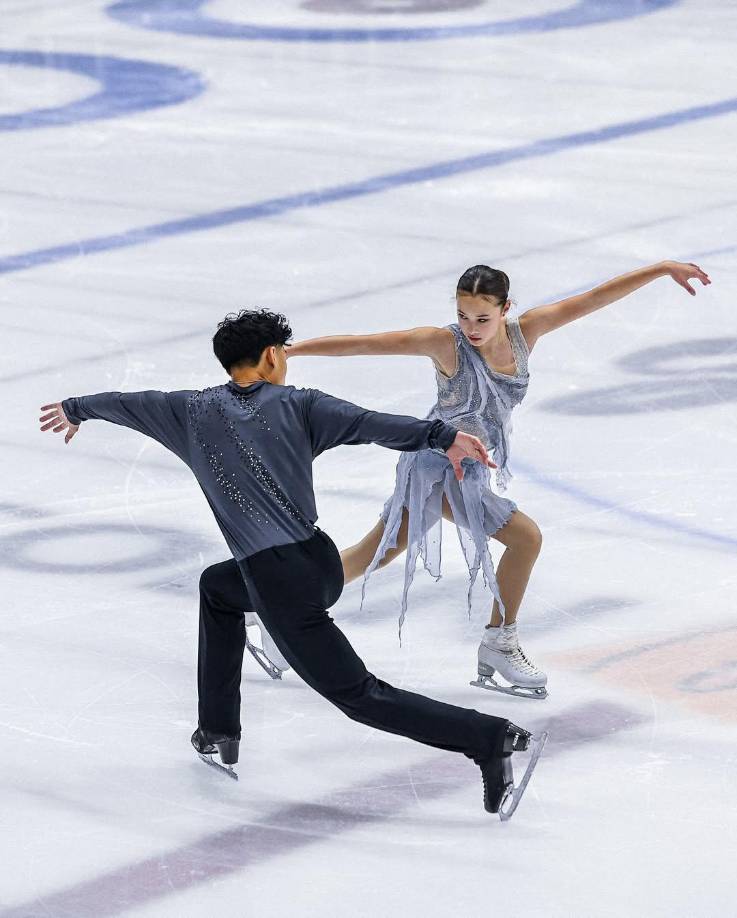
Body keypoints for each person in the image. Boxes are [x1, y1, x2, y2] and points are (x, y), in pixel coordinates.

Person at [39, 308, 546, 818]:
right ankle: (217, 730)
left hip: (280, 584)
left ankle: (489, 739)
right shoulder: (301, 405)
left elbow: (125, 404)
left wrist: (74, 408)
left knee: (361, 696)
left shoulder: (188, 413)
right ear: (269, 357)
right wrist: (443, 436)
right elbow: (374, 425)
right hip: (319, 564)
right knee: (217, 587)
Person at [286, 260, 711, 698]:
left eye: (483, 318)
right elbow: (366, 346)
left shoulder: (527, 333)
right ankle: (499, 643)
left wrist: (661, 269)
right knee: (525, 538)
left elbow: (593, 299)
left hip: (467, 469)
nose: (471, 327)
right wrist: (293, 352)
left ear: (506, 308)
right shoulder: (443, 344)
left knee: (376, 551)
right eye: (463, 315)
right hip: (436, 465)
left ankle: (277, 605)